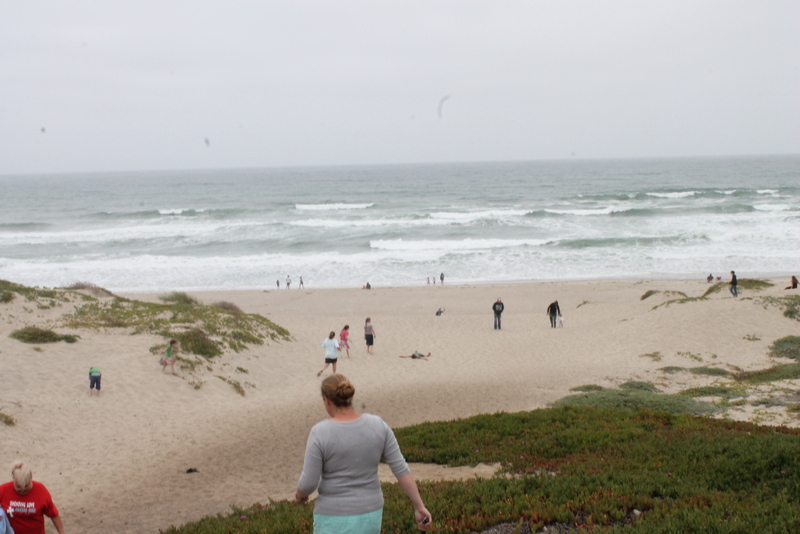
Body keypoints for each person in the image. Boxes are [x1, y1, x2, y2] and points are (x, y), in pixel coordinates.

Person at [295, 375, 432, 533]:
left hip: (333, 516)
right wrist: (419, 506)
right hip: (371, 514)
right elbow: (401, 469)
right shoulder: (378, 425)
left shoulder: (319, 432)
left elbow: (308, 483)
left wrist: (300, 495)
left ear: (327, 400)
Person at [0, 461, 67, 534]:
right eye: (18, 487)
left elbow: (54, 514)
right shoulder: (3, 490)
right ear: (13, 480)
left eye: (26, 486)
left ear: (31, 478)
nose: (22, 490)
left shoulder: (41, 490)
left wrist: (61, 532)